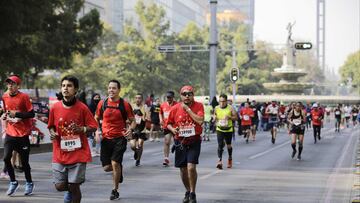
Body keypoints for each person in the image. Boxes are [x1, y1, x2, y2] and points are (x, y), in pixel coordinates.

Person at [48, 76, 98, 203]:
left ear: (75, 90)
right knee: (59, 186)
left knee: (74, 186)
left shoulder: (82, 108)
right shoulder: (55, 107)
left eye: (69, 86)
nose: (65, 88)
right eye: (63, 85)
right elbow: (51, 126)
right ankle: (70, 189)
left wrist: (82, 129)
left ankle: (73, 189)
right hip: (60, 152)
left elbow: (93, 126)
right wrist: (53, 133)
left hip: (78, 152)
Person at [94, 79, 136, 200]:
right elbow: (96, 118)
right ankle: (119, 169)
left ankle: (115, 190)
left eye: (114, 88)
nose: (111, 90)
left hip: (120, 138)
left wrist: (130, 129)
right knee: (107, 167)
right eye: (109, 88)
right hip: (106, 139)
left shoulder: (125, 104)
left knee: (114, 162)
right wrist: (97, 130)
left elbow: (132, 121)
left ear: (119, 90)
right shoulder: (102, 103)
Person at [166, 85, 204, 203]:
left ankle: (193, 193)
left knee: (191, 167)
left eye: (189, 94)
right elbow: (168, 124)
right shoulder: (175, 108)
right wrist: (173, 130)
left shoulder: (199, 106)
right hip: (180, 141)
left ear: (193, 95)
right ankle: (188, 191)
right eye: (184, 94)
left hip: (194, 140)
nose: (187, 96)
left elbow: (200, 120)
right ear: (180, 95)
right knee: (183, 170)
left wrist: (188, 109)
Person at [1, 75, 35, 196]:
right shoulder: (4, 96)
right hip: (10, 132)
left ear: (18, 86)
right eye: (8, 83)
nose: (10, 85)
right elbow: (5, 112)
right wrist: (5, 116)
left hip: (23, 133)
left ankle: (29, 182)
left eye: (13, 83)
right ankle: (13, 182)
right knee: (6, 158)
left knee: (24, 162)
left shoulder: (24, 97)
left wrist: (18, 115)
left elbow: (31, 114)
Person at [214, 94, 238, 169]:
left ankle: (230, 158)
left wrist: (230, 117)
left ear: (226, 101)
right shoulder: (216, 108)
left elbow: (236, 118)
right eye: (220, 101)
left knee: (228, 145)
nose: (222, 103)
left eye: (223, 101)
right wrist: (214, 118)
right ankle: (219, 161)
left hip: (228, 129)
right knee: (220, 145)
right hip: (219, 128)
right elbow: (215, 116)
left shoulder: (230, 108)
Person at [159, 91, 177, 166]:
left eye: (170, 97)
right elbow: (160, 113)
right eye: (167, 97)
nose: (168, 99)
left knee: (178, 142)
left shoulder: (177, 105)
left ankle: (175, 146)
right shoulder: (163, 105)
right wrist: (160, 120)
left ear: (173, 97)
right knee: (167, 142)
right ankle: (166, 158)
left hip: (175, 126)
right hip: (166, 126)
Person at [130, 93, 148, 167]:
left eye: (139, 98)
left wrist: (143, 116)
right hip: (133, 128)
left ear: (142, 99)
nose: (138, 99)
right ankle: (136, 152)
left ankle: (138, 160)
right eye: (136, 98)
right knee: (132, 146)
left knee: (140, 144)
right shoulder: (131, 106)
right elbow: (128, 117)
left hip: (142, 129)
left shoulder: (145, 107)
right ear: (135, 99)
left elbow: (148, 117)